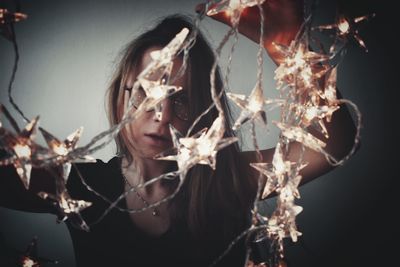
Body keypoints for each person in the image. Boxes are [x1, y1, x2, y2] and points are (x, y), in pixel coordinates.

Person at [0, 1, 357, 266]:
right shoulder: (79, 185)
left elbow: (332, 143)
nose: (162, 114)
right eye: (146, 91)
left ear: (205, 110)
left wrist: (287, 43)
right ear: (123, 95)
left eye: (182, 100)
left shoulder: (229, 182)